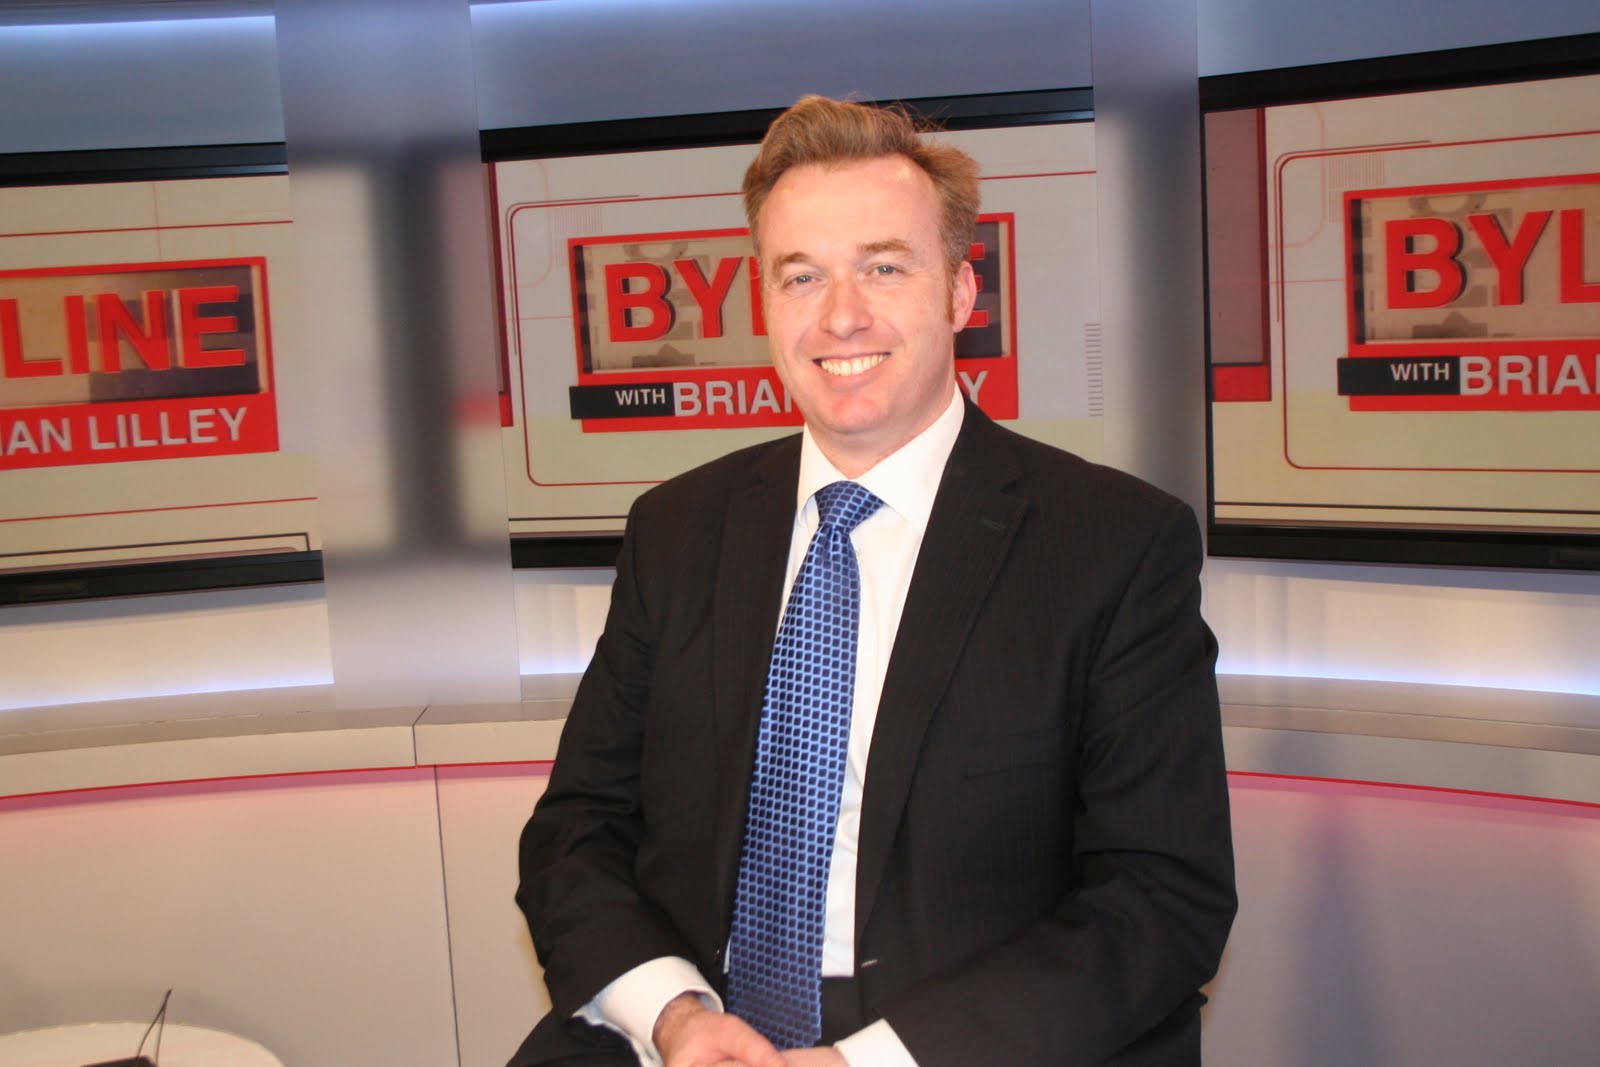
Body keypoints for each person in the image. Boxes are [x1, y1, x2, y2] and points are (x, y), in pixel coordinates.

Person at [509, 95, 1235, 1067]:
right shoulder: (674, 530)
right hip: (691, 1014)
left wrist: (869, 1061)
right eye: (801, 275)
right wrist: (674, 1014)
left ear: (960, 292)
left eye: (884, 267)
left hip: (955, 1038)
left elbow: (1161, 898)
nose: (840, 315)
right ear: (764, 303)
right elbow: (576, 829)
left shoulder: (1116, 543)